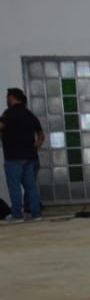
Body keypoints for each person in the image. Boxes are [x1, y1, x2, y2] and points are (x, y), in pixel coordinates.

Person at [1, 87, 44, 222]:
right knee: (31, 187)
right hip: (29, 157)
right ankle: (36, 214)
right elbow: (41, 134)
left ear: (12, 97)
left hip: (14, 156)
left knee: (14, 187)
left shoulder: (9, 113)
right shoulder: (29, 114)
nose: (6, 100)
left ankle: (17, 215)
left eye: (7, 97)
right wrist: (37, 144)